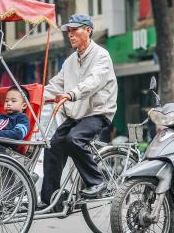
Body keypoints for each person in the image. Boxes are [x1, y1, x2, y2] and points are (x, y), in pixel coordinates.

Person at [40, 14, 117, 206]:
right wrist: (31, 96)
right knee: (52, 145)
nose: (71, 35)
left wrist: (71, 94)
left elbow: (94, 82)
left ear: (88, 30)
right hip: (76, 114)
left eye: (75, 30)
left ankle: (97, 181)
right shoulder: (70, 61)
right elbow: (56, 84)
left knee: (74, 139)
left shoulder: (101, 56)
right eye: (69, 31)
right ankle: (50, 199)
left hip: (97, 113)